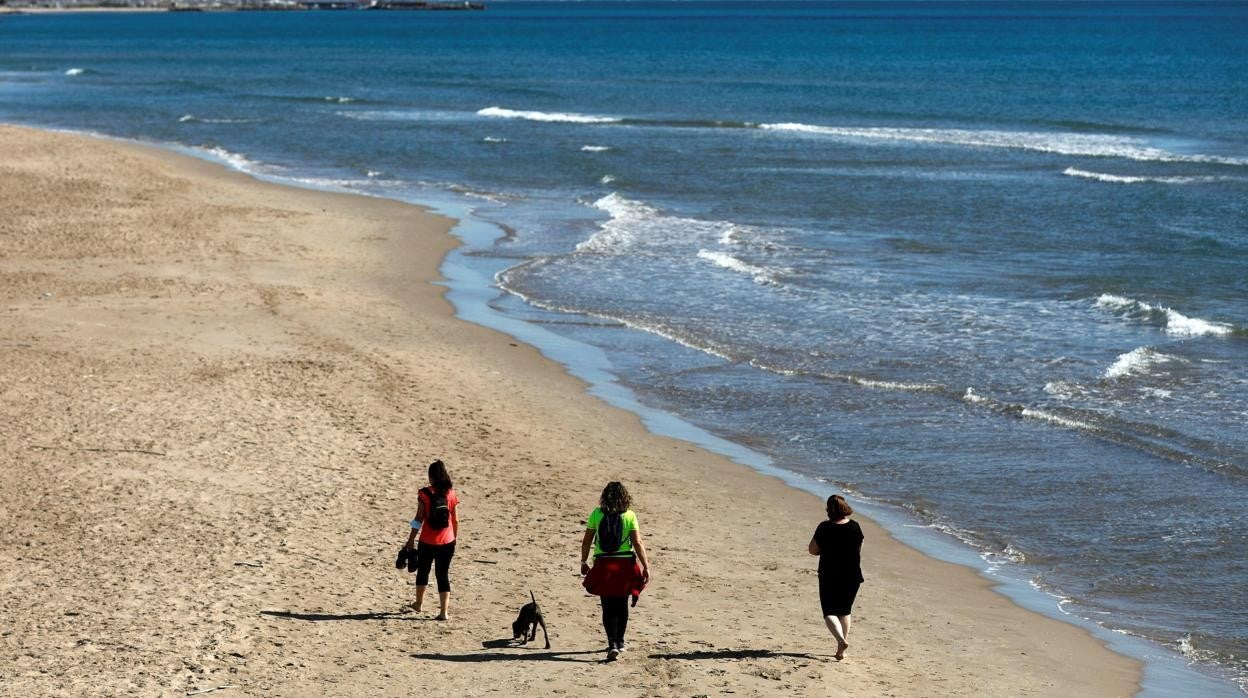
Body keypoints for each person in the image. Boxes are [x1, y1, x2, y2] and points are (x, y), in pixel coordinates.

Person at [580, 481, 650, 661]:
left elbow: (587, 541)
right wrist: (645, 566)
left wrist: (583, 561)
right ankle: (620, 641)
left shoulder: (596, 514)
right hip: (624, 565)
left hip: (604, 565)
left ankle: (611, 644)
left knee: (607, 606)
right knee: (622, 605)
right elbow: (637, 543)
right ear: (625, 497)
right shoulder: (630, 515)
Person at [808, 493, 864, 661]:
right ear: (845, 507)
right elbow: (859, 549)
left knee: (829, 611)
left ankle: (841, 640)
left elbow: (812, 550)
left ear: (829, 510)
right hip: (852, 575)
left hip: (829, 574)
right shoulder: (855, 527)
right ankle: (841, 651)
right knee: (845, 612)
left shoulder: (824, 527)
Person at [405, 459, 459, 621]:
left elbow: (418, 519)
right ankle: (444, 612)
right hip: (447, 541)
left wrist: (411, 540)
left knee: (423, 571)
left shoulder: (424, 494)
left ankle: (419, 604)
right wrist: (454, 538)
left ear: (431, 476)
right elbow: (456, 520)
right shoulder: (451, 493)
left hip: (427, 541)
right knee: (442, 575)